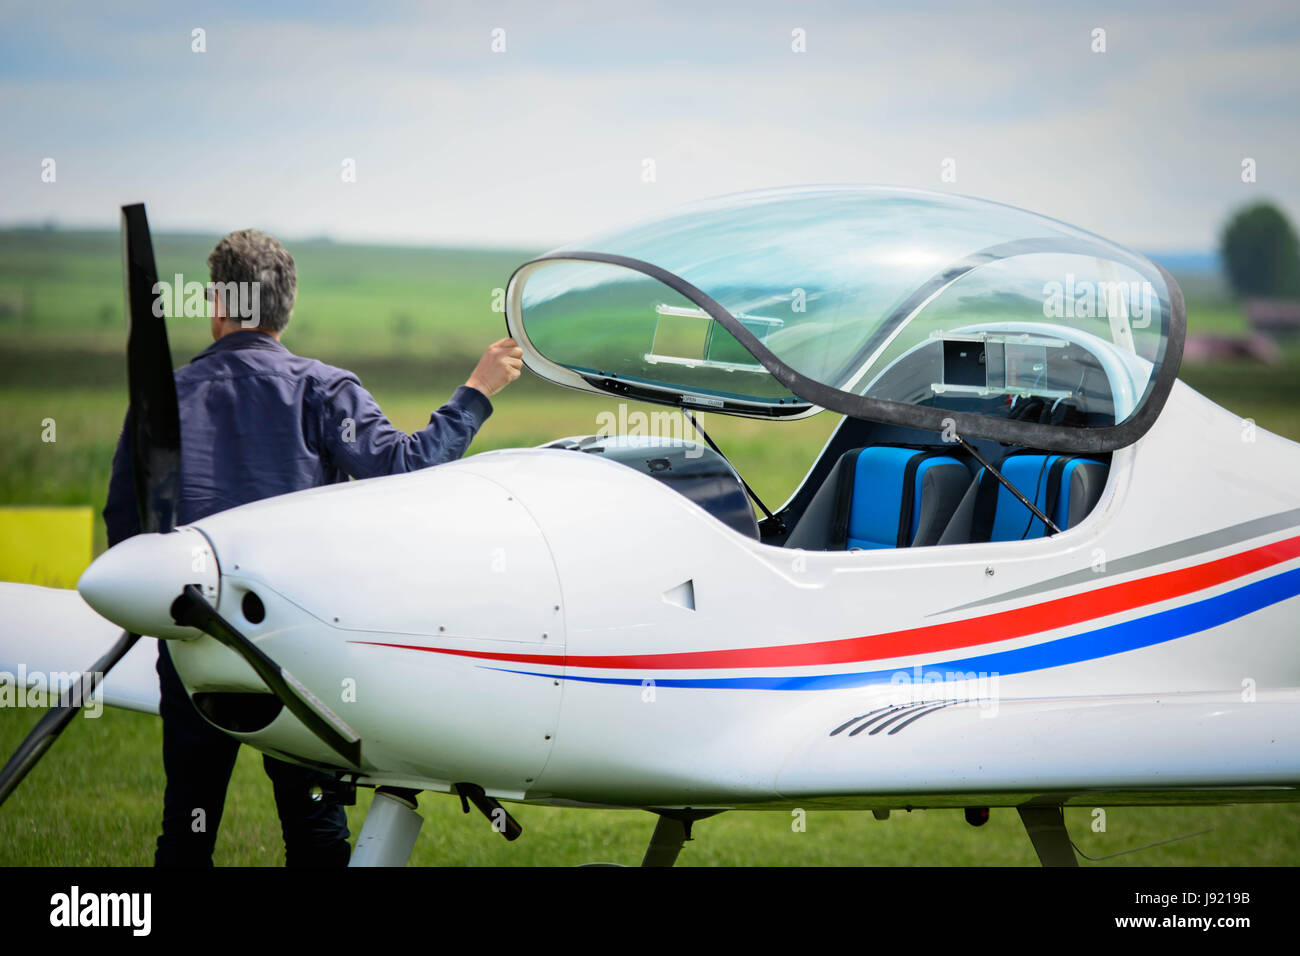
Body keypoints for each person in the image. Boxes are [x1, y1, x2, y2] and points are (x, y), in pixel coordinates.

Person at [103, 228, 522, 866]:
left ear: (217, 306)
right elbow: (405, 470)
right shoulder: (322, 390)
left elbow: (126, 530)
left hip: (191, 644)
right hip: (297, 650)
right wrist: (477, 392)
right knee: (317, 835)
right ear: (286, 308)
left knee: (185, 832)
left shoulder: (162, 400)